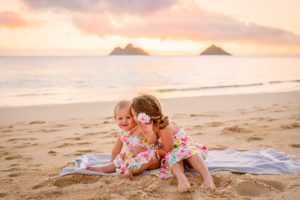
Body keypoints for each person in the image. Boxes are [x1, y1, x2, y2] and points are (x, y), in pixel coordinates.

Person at [131, 94, 215, 192]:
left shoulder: (164, 126)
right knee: (172, 158)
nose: (132, 118)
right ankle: (182, 179)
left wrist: (152, 151)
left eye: (133, 115)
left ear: (143, 115)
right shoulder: (145, 128)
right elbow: (156, 145)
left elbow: (168, 149)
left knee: (188, 151)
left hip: (183, 148)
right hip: (171, 154)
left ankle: (207, 178)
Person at [86, 100, 160, 178]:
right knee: (122, 156)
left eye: (128, 117)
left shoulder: (140, 128)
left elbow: (154, 140)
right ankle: (103, 169)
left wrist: (149, 131)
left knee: (147, 158)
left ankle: (130, 170)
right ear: (115, 119)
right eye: (120, 118)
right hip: (133, 157)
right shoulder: (122, 132)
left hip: (151, 158)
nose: (124, 121)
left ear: (135, 117)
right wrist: (113, 163)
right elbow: (116, 150)